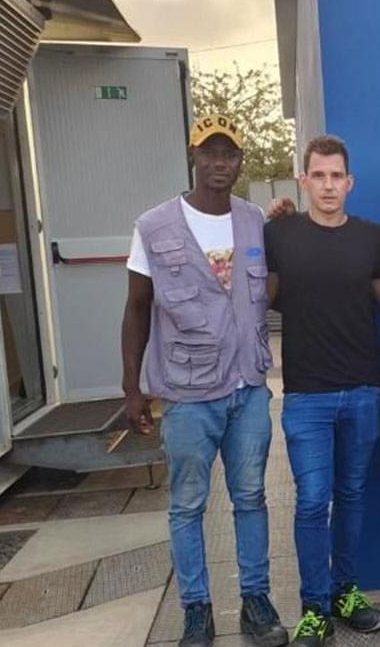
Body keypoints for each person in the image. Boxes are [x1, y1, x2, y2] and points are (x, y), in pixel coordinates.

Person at [121, 115, 285, 647]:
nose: (219, 163)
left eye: (229, 154)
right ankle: (196, 609)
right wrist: (131, 389)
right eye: (209, 152)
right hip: (188, 395)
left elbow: (268, 289)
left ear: (240, 162)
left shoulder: (254, 220)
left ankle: (256, 601)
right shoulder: (154, 226)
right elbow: (137, 308)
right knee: (188, 504)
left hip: (248, 388)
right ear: (193, 156)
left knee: (251, 497)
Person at [263, 135, 380, 647]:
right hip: (306, 395)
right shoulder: (281, 233)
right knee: (314, 501)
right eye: (319, 175)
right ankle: (314, 609)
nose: (329, 185)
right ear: (304, 180)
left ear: (350, 182)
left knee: (353, 495)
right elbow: (260, 296)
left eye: (337, 175)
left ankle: (346, 593)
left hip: (363, 389)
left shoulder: (372, 238)